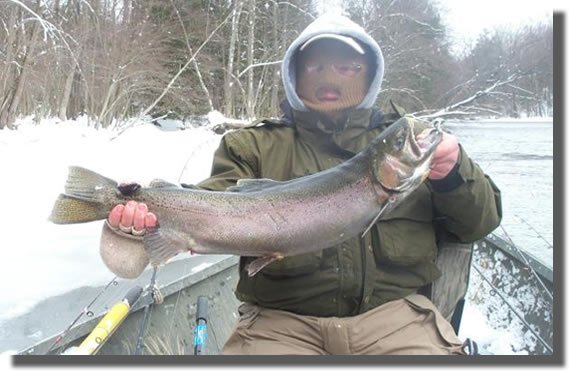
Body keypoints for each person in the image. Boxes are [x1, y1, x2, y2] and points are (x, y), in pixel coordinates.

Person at [103, 14, 502, 355]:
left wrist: (453, 173)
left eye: (347, 68)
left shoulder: (413, 154)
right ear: (294, 75)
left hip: (398, 320)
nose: (330, 79)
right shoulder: (251, 144)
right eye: (315, 67)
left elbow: (478, 225)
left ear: (370, 77)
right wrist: (136, 219)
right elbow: (210, 205)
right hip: (278, 324)